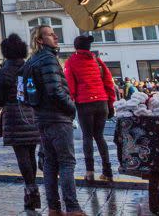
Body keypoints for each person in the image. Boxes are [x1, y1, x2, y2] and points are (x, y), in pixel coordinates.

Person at [24, 25, 85, 216]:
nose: (56, 36)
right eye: (51, 35)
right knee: (67, 162)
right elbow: (55, 91)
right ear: (40, 40)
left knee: (50, 163)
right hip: (58, 118)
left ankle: (54, 208)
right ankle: (73, 208)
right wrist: (71, 107)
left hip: (42, 118)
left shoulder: (32, 60)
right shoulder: (48, 59)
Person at [0, 34, 41, 211]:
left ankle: (30, 189)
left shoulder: (4, 71)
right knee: (31, 152)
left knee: (22, 156)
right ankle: (32, 187)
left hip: (13, 114)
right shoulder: (31, 67)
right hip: (32, 113)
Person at [64, 35, 116, 183]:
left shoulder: (71, 61)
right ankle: (108, 171)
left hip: (85, 103)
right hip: (102, 102)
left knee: (87, 136)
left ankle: (90, 171)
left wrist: (71, 103)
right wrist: (110, 104)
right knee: (99, 136)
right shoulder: (97, 61)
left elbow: (70, 85)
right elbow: (109, 84)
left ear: (75, 47)